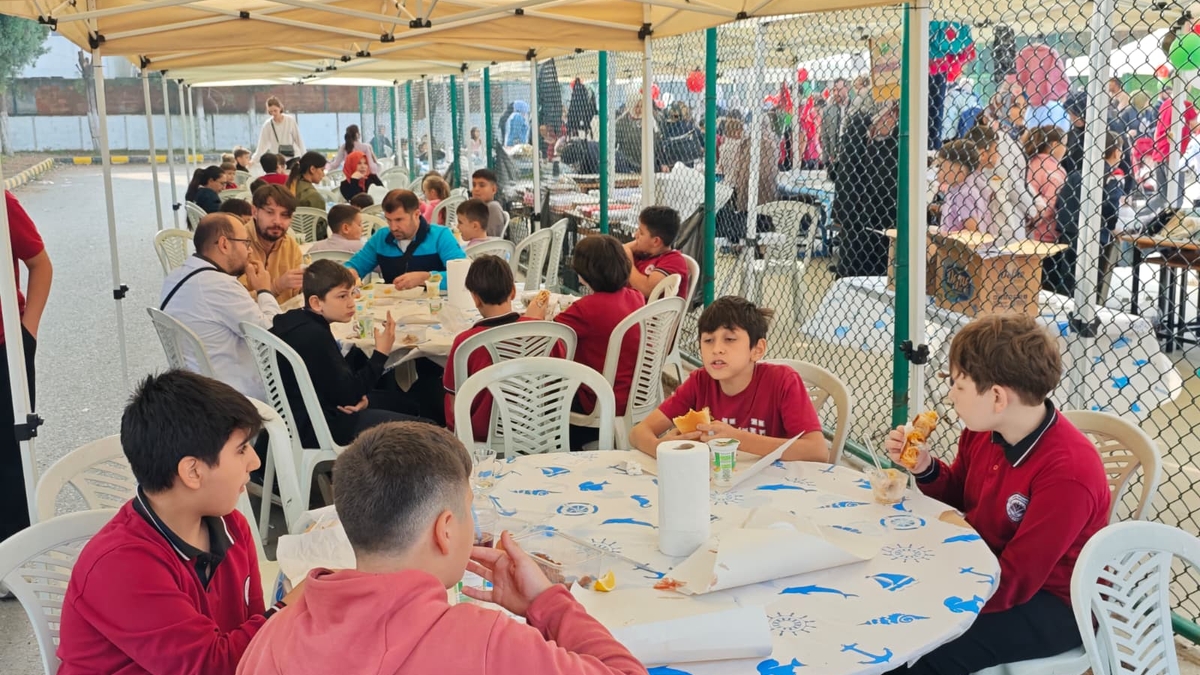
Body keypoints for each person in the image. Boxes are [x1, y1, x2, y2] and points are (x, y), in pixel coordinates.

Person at [235, 421, 649, 675]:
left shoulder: (274, 635)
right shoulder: (487, 643)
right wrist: (548, 602)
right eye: (469, 511)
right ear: (445, 530)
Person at [883, 314, 1109, 675]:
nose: (950, 395)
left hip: (1053, 603)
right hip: (984, 567)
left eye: (958, 385)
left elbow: (1017, 580)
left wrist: (931, 597)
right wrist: (925, 466)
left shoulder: (1069, 472)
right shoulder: (983, 429)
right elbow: (960, 494)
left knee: (919, 651)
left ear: (998, 397)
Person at [57, 370, 303, 675]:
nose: (254, 461)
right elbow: (212, 667)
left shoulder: (233, 528)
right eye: (241, 450)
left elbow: (251, 643)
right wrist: (293, 607)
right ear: (193, 472)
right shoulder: (120, 565)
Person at [628, 296, 828, 461]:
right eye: (708, 340)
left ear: (757, 349)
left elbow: (817, 452)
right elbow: (638, 433)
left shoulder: (782, 381)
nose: (716, 349)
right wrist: (660, 448)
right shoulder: (700, 382)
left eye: (730, 339)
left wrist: (737, 438)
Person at [271, 260, 425, 447]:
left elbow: (343, 388)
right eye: (342, 296)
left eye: (352, 294)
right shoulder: (314, 336)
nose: (351, 303)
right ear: (316, 302)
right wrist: (381, 353)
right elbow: (348, 397)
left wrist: (359, 398)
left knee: (410, 403)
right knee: (428, 429)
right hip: (321, 427)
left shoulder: (294, 321)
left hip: (301, 415)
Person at [524, 235, 644, 449]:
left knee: (539, 390)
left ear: (583, 273)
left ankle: (545, 447)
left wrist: (533, 314)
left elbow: (539, 341)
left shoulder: (586, 309)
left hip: (596, 400)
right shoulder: (636, 297)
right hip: (633, 393)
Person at [443, 256, 566, 440]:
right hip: (539, 428)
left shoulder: (467, 342)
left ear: (475, 299)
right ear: (514, 291)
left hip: (481, 434)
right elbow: (559, 383)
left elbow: (454, 402)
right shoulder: (546, 334)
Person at [161, 213, 280, 400]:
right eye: (245, 243)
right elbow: (273, 334)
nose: (249, 251)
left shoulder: (174, 277)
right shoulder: (218, 284)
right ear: (224, 244)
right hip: (235, 397)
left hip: (195, 388)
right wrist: (265, 289)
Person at [0, 192, 51, 544]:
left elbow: (40, 264)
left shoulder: (2, 204)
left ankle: (11, 549)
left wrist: (27, 332)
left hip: (6, 347)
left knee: (8, 454)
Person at [1049, 131, 1125, 299]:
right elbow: (1111, 209)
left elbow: (1061, 201)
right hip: (1094, 237)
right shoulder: (1110, 179)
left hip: (1069, 232)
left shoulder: (1077, 174)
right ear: (1116, 151)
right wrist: (1111, 227)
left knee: (1067, 281)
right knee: (1089, 284)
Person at [345, 189, 466, 291]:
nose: (393, 227)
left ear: (416, 214)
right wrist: (350, 273)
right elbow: (354, 266)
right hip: (392, 309)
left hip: (436, 308)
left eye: (399, 220)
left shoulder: (441, 236)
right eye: (389, 220)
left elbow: (463, 274)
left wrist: (426, 278)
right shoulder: (380, 238)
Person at [240, 184, 305, 304]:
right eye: (270, 212)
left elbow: (297, 294)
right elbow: (235, 303)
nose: (277, 221)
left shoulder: (290, 244)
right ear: (254, 212)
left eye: (285, 215)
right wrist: (277, 286)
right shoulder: (238, 243)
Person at [623, 205, 689, 299]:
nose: (635, 235)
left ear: (656, 241)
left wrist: (627, 261)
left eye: (641, 233)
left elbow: (647, 289)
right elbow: (620, 251)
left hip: (651, 313)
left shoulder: (674, 261)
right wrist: (627, 249)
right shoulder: (642, 253)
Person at [934, 139, 994, 235]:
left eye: (941, 166)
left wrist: (944, 235)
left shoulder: (963, 194)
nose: (938, 171)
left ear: (960, 171)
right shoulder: (958, 189)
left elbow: (973, 231)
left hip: (960, 248)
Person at [1022, 126, 1067, 243]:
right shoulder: (1056, 170)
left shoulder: (1028, 163)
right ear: (1055, 144)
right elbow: (1051, 204)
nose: (1066, 149)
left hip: (1022, 229)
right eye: (1065, 145)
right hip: (1046, 234)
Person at [251, 96, 306, 171]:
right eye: (270, 111)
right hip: (277, 159)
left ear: (280, 108)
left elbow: (298, 139)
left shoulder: (290, 120)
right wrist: (254, 160)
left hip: (293, 157)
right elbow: (262, 145)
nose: (273, 113)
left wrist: (304, 156)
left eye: (275, 110)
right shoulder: (267, 125)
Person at [821, 78, 848, 177]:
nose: (836, 93)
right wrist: (826, 161)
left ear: (847, 89)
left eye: (839, 90)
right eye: (834, 90)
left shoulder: (853, 108)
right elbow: (825, 136)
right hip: (834, 159)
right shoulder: (827, 111)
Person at [471, 169, 509, 237]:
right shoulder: (477, 208)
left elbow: (492, 239)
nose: (476, 189)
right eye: (474, 185)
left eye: (482, 185)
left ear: (493, 189)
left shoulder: (492, 207)